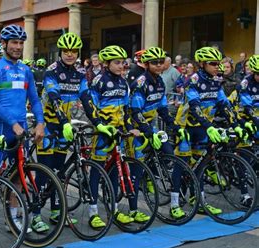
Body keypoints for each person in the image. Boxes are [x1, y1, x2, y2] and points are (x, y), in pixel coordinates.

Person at [33, 33, 107, 232]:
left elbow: (86, 98)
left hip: (64, 128)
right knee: (45, 171)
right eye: (66, 51)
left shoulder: (80, 73)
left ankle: (57, 211)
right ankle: (36, 214)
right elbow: (54, 97)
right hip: (49, 125)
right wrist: (64, 122)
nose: (69, 54)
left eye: (73, 51)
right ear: (60, 52)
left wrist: (97, 122)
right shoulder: (51, 71)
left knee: (60, 171)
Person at [0, 24, 45, 241]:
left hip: (21, 130)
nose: (18, 47)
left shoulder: (26, 70)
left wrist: (40, 123)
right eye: (14, 43)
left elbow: (34, 99)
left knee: (19, 177)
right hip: (1, 129)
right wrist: (12, 124)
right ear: (4, 44)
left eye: (20, 43)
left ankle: (13, 218)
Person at [175, 47, 249, 213]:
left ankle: (199, 200)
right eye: (213, 63)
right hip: (186, 127)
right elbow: (194, 107)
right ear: (202, 64)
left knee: (200, 166)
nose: (217, 66)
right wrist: (209, 127)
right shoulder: (193, 81)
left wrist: (236, 124)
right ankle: (174, 202)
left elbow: (224, 105)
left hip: (202, 127)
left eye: (219, 63)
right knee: (183, 165)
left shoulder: (216, 81)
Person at [130, 47, 188, 220]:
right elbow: (135, 111)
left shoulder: (160, 82)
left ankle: (175, 204)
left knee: (171, 154)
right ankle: (133, 210)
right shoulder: (141, 82)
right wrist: (148, 132)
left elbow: (163, 109)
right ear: (146, 64)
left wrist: (176, 126)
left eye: (161, 62)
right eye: (154, 62)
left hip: (152, 127)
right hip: (137, 129)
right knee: (137, 169)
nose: (158, 65)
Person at [89, 45, 137, 224]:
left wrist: (129, 127)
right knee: (97, 170)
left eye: (123, 63)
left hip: (118, 132)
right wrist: (100, 126)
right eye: (117, 63)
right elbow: (92, 107)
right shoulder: (98, 81)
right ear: (106, 63)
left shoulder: (123, 82)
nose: (121, 66)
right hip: (102, 132)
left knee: (115, 172)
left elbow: (126, 109)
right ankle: (93, 212)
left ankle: (114, 209)